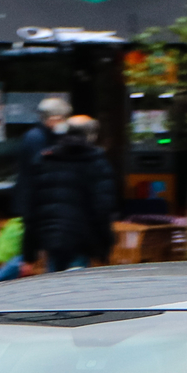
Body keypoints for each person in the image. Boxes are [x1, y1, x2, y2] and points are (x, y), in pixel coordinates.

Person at [24, 114, 112, 273]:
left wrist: (29, 250)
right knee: (77, 290)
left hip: (52, 238)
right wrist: (104, 245)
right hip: (82, 239)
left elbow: (32, 206)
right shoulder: (96, 162)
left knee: (54, 287)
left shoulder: (46, 159)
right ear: (92, 135)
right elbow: (103, 207)